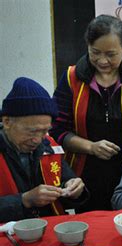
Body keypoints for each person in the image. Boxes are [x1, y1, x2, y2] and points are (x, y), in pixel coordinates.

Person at [50, 15, 122, 212]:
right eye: (95, 52)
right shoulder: (71, 78)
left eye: (111, 54)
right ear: (87, 46)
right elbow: (57, 129)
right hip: (84, 173)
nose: (102, 60)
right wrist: (91, 147)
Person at [0, 77, 87, 222]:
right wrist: (24, 200)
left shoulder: (49, 146)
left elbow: (66, 181)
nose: (38, 140)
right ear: (7, 121)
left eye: (45, 131)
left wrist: (75, 189)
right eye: (32, 131)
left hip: (48, 230)